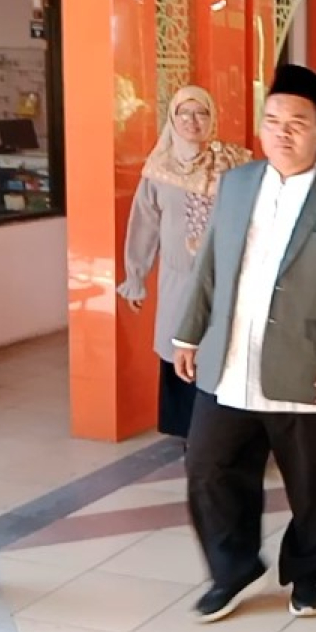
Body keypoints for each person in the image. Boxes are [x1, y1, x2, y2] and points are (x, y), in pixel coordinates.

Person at [174, 65, 316, 624]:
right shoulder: (237, 183)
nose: (282, 132)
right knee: (209, 467)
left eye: (297, 122)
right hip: (231, 359)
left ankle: (308, 571)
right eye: (272, 120)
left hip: (310, 364)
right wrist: (188, 333)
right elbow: (208, 265)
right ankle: (230, 569)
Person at [118, 86, 251, 441]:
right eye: (184, 113)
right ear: (172, 119)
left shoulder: (234, 163)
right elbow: (144, 225)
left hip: (225, 279)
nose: (193, 121)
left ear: (213, 118)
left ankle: (221, 434)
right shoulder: (158, 169)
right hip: (177, 280)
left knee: (220, 350)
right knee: (178, 345)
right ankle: (187, 432)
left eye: (201, 113)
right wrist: (135, 277)